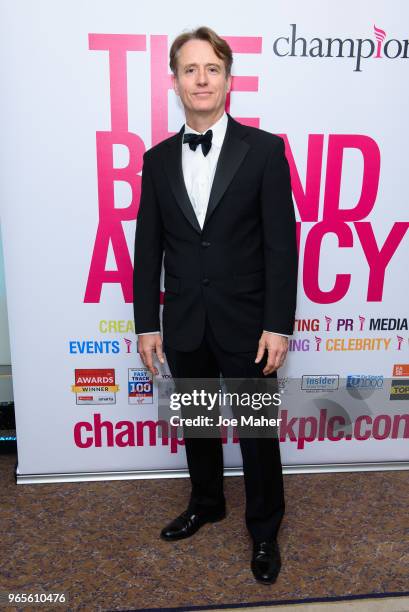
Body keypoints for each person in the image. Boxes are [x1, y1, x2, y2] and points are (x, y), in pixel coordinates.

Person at [133, 26, 298, 584]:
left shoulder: (266, 151)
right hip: (183, 321)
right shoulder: (156, 161)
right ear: (174, 81)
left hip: (249, 324)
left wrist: (278, 324)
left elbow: (281, 246)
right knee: (198, 422)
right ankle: (206, 503)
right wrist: (145, 324)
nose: (201, 79)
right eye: (189, 69)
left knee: (256, 432)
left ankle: (265, 529)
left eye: (212, 68)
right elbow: (147, 248)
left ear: (228, 78)